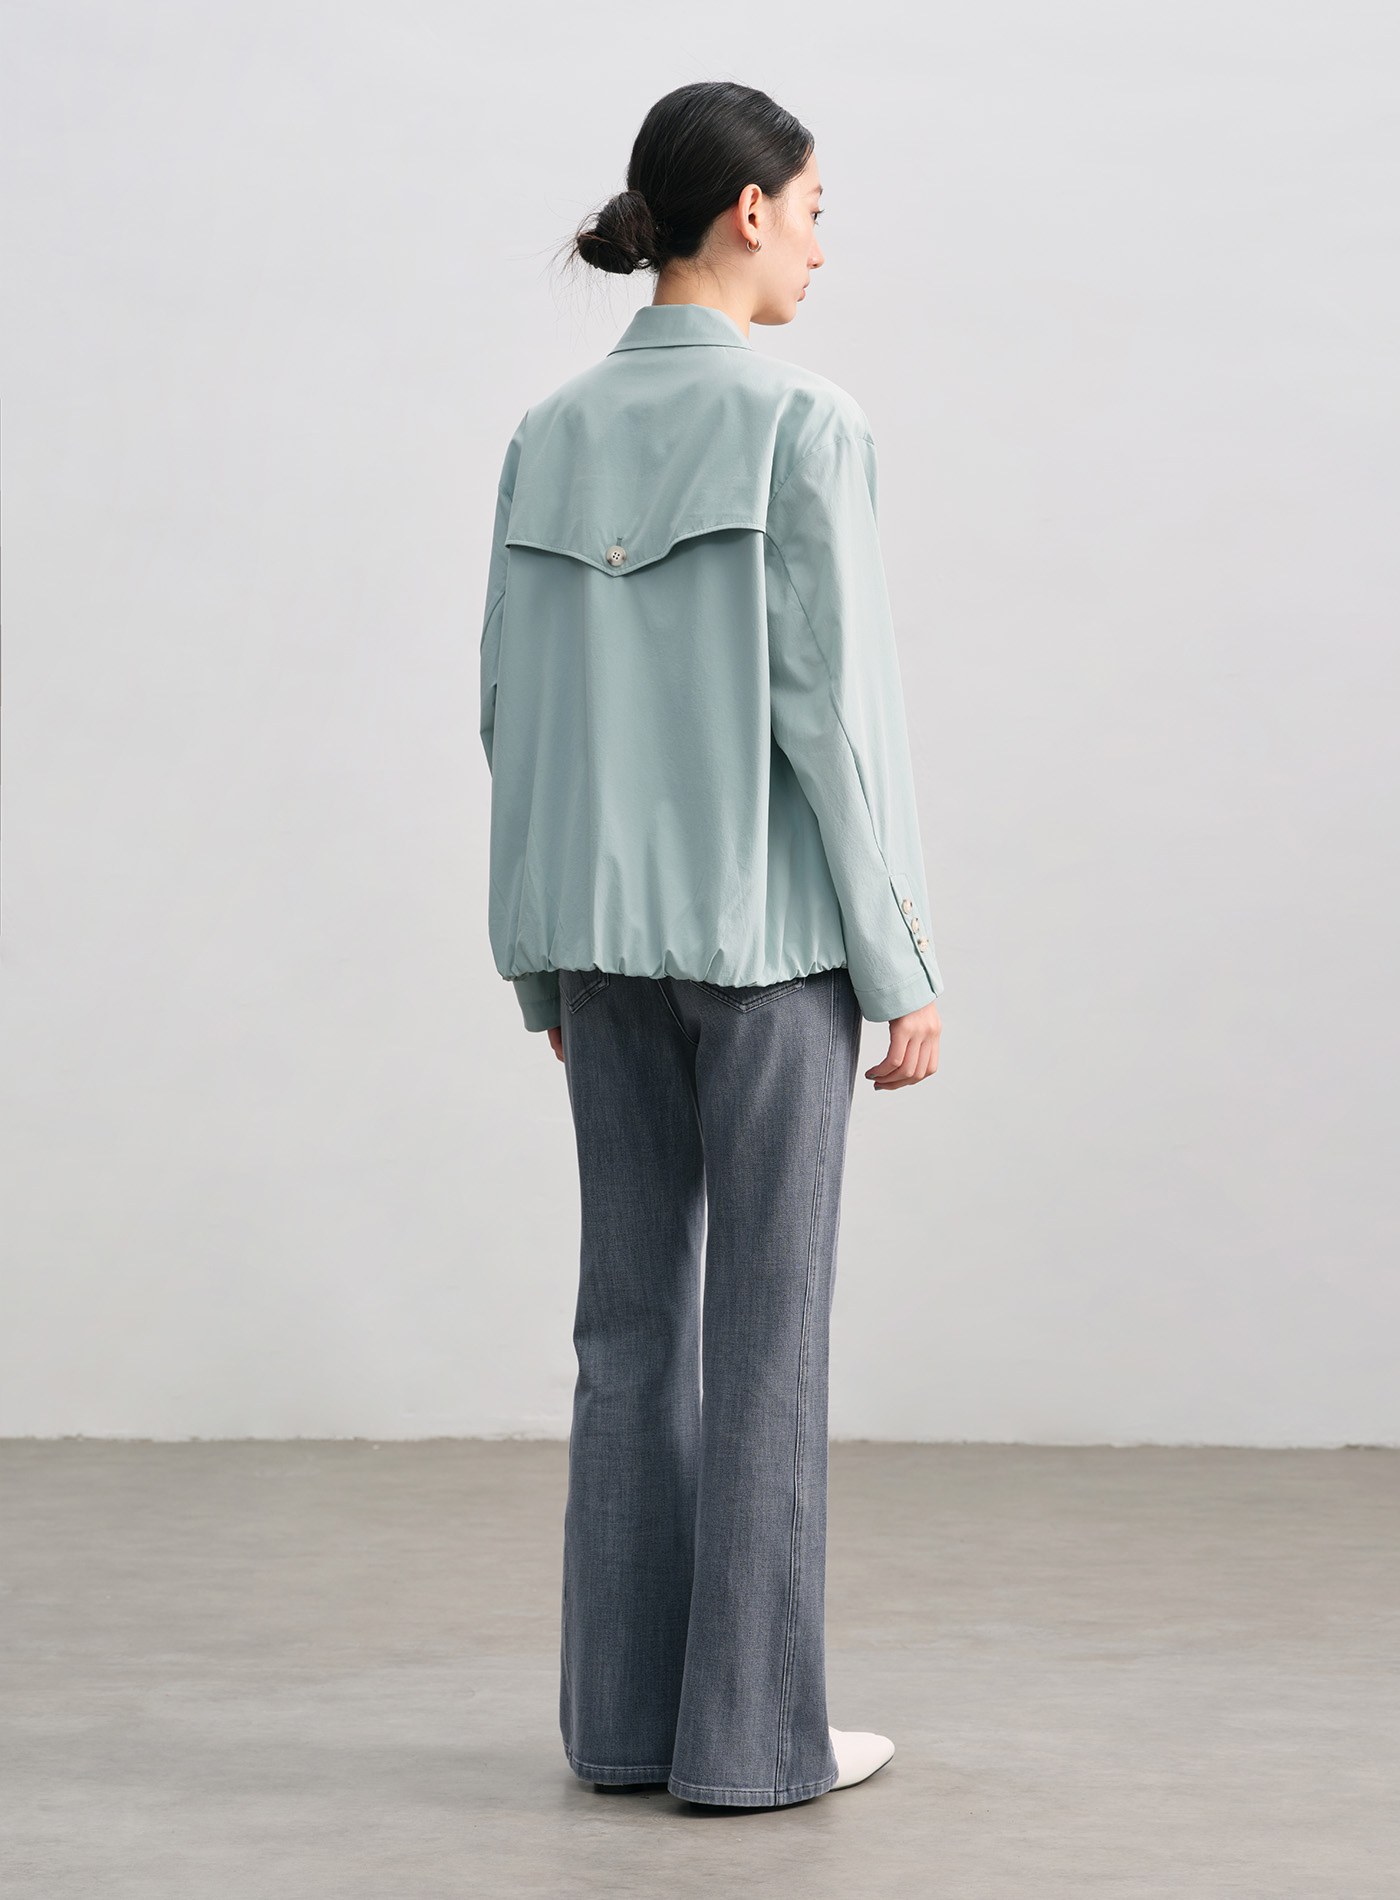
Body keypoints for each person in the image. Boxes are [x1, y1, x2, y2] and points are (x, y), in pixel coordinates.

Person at [478, 80, 945, 1809]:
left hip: (600, 954)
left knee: (626, 1335)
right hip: (770, 953)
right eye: (814, 213)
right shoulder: (804, 422)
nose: (819, 249)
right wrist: (901, 963)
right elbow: (837, 718)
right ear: (748, 211)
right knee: (766, 1338)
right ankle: (752, 1745)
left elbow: (510, 711)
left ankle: (618, 1729)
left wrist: (539, 959)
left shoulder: (546, 435)